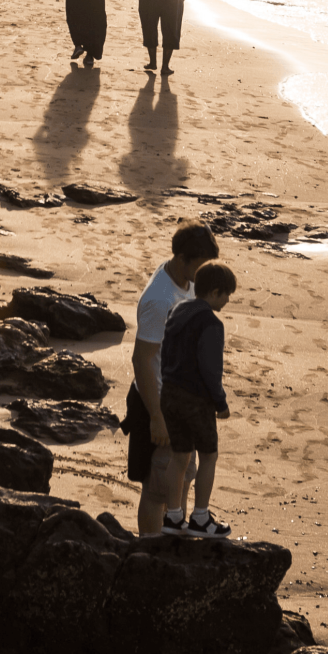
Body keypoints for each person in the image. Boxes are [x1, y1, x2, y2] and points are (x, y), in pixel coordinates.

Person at [127, 224, 223, 535]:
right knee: (157, 489)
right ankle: (151, 552)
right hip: (157, 404)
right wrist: (156, 416)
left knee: (182, 476)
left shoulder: (188, 281)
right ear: (181, 259)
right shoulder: (159, 299)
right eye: (201, 265)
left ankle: (175, 542)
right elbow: (141, 359)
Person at [157, 263, 239, 538]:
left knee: (179, 455)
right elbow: (210, 368)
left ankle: (172, 516)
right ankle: (201, 517)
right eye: (226, 295)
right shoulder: (211, 324)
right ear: (215, 292)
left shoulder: (177, 311)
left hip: (169, 392)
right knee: (208, 456)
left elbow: (165, 352)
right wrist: (221, 403)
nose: (228, 300)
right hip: (195, 398)